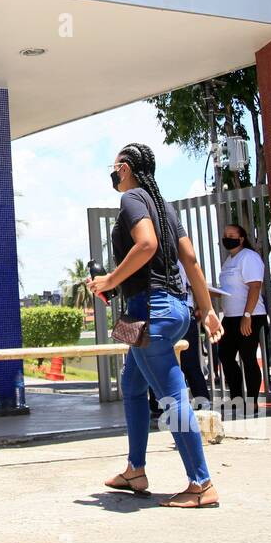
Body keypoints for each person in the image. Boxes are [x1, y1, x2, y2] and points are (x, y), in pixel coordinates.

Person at [88, 143, 224, 508]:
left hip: (151, 310)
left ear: (126, 167)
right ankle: (135, 469)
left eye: (115, 165)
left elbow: (146, 245)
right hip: (173, 307)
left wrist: (111, 280)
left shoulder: (133, 197)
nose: (113, 172)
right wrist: (207, 308)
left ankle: (201, 484)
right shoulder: (164, 206)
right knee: (132, 384)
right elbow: (191, 258)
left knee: (171, 396)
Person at [216, 223, 269, 416]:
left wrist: (247, 316)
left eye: (231, 235)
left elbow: (255, 287)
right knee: (225, 356)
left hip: (250, 316)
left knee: (248, 358)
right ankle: (237, 400)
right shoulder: (229, 260)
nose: (226, 238)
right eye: (224, 234)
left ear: (241, 238)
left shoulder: (249, 257)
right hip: (230, 317)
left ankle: (253, 403)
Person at [175, 259, 212, 404]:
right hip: (182, 312)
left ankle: (202, 401)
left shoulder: (181, 261)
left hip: (182, 312)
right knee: (188, 362)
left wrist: (200, 308)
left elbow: (196, 285)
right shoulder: (181, 261)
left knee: (189, 362)